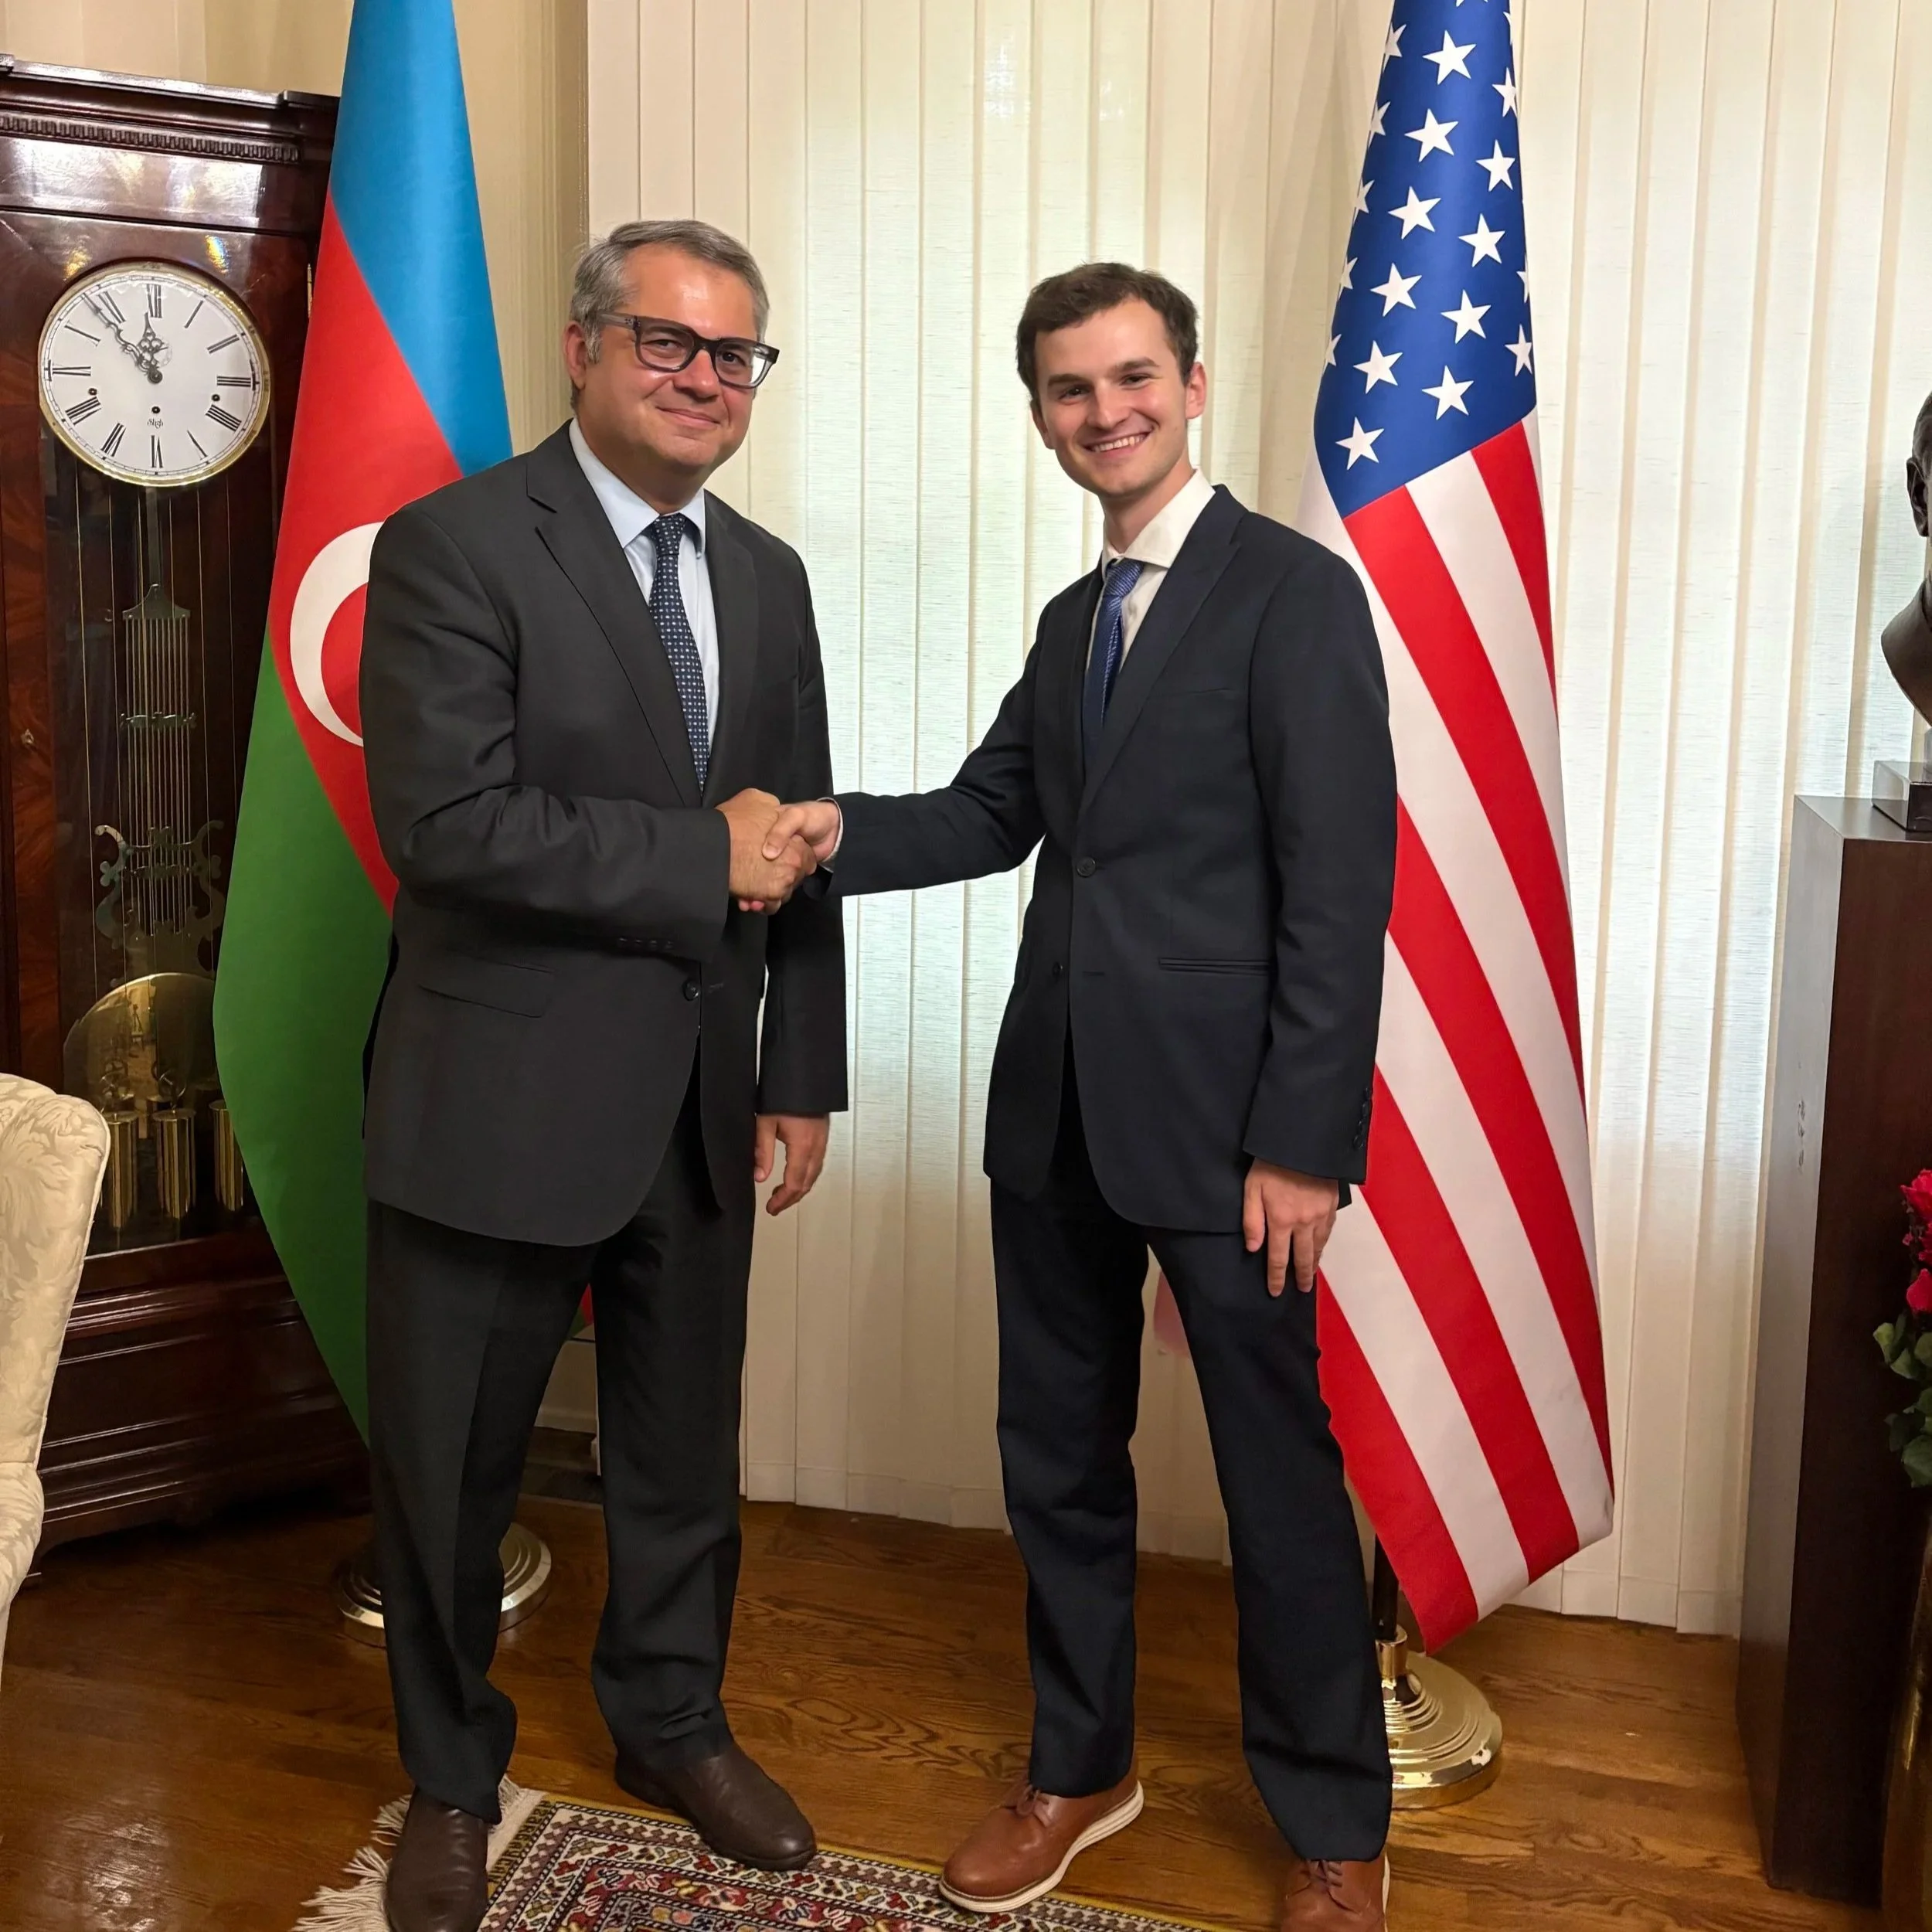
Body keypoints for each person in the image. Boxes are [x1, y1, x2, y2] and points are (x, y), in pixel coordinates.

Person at [768, 262, 1397, 1929]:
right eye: (1066, 388)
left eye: (1129, 377)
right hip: (1049, 1116)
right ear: (1040, 416)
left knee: (1275, 1480)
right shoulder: (1074, 623)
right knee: (1054, 1458)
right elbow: (990, 814)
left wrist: (1301, 1145)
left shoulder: (1293, 596)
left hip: (1230, 1140)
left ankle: (1335, 1822)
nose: (1101, 411)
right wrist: (816, 831)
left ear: (1192, 384)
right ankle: (1079, 1764)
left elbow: (1339, 891)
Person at [358, 219, 845, 1932]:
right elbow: (447, 821)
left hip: (703, 1099)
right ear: (581, 349)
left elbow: (800, 836)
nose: (704, 379)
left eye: (734, 356)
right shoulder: (453, 544)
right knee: (449, 1466)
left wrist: (805, 1071)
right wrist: (691, 860)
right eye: (668, 343)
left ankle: (671, 1722)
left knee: (676, 1451)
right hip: (493, 1100)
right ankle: (447, 1773)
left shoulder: (769, 573)